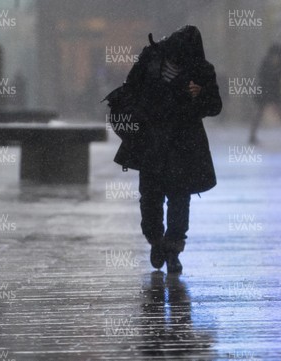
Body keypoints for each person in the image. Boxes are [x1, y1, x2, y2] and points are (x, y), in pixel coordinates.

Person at [114, 25, 222, 273]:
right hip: (151, 140)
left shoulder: (201, 70)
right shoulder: (150, 59)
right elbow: (129, 89)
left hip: (183, 143)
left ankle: (173, 249)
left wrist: (201, 94)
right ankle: (156, 240)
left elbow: (215, 105)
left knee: (178, 196)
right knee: (151, 196)